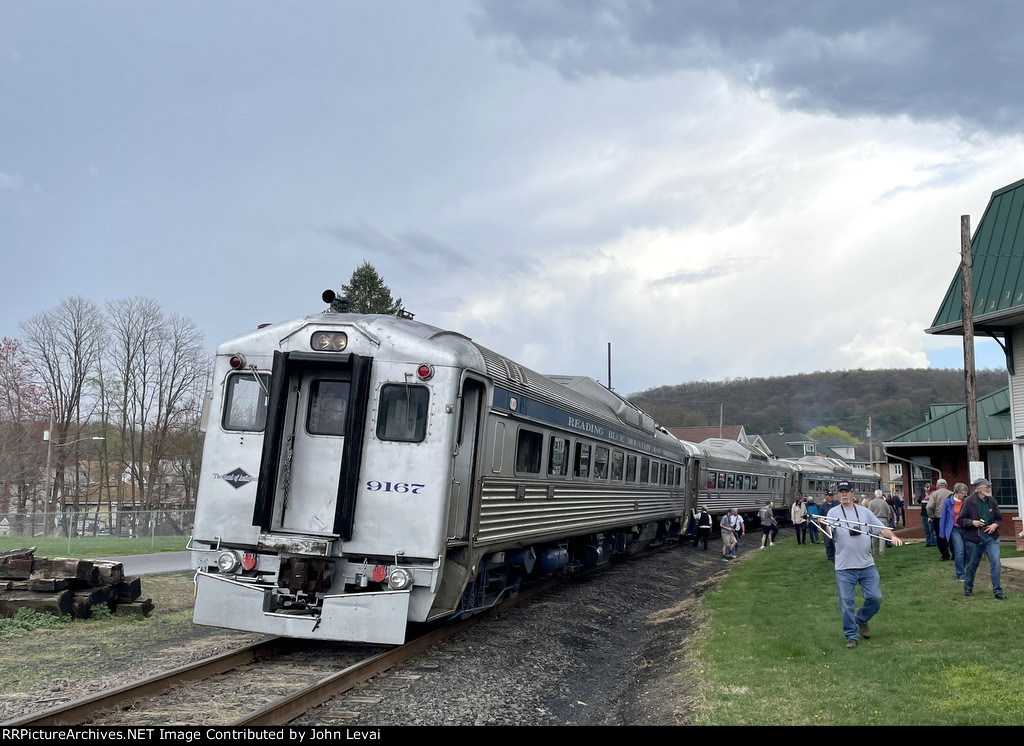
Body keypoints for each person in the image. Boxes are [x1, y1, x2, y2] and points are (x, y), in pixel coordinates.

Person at [820, 480, 903, 649]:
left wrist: (892, 536)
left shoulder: (864, 512)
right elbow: (829, 532)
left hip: (866, 565)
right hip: (844, 567)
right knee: (846, 602)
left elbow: (880, 528)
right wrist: (823, 524)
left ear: (852, 494)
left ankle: (862, 619)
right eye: (841, 492)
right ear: (838, 494)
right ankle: (851, 636)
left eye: (847, 491)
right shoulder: (833, 512)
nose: (844, 494)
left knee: (875, 598)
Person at [957, 478, 1005, 599]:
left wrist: (995, 525)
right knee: (972, 564)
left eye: (989, 486)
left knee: (996, 563)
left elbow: (999, 519)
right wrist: (973, 522)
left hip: (991, 537)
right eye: (986, 486)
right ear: (978, 489)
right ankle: (968, 588)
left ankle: (998, 592)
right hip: (975, 537)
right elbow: (960, 520)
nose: (988, 488)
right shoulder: (968, 501)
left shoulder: (992, 501)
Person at [940, 482, 968, 582]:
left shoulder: (966, 501)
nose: (965, 495)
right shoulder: (948, 502)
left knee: (966, 551)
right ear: (957, 492)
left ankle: (964, 570)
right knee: (959, 550)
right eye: (963, 493)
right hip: (954, 529)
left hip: (965, 528)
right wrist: (942, 533)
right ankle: (960, 574)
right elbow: (943, 518)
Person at [929, 479, 952, 561]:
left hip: (938, 517)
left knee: (940, 537)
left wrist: (931, 515)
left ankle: (945, 555)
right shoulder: (951, 493)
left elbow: (929, 506)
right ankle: (955, 554)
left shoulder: (935, 494)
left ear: (937, 486)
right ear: (946, 485)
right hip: (950, 518)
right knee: (951, 536)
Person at [867, 489, 892, 556]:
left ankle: (875, 552)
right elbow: (888, 513)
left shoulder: (871, 503)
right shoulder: (885, 503)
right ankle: (882, 552)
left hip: (874, 520)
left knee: (875, 537)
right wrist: (888, 521)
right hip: (883, 519)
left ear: (875, 495)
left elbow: (869, 514)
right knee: (882, 537)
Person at [819, 490, 839, 562]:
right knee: (828, 543)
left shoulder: (837, 504)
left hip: (836, 527)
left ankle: (838, 557)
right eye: (829, 496)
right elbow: (820, 517)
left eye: (832, 496)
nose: (831, 497)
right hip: (826, 527)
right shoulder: (823, 506)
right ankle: (830, 558)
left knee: (837, 543)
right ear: (826, 496)